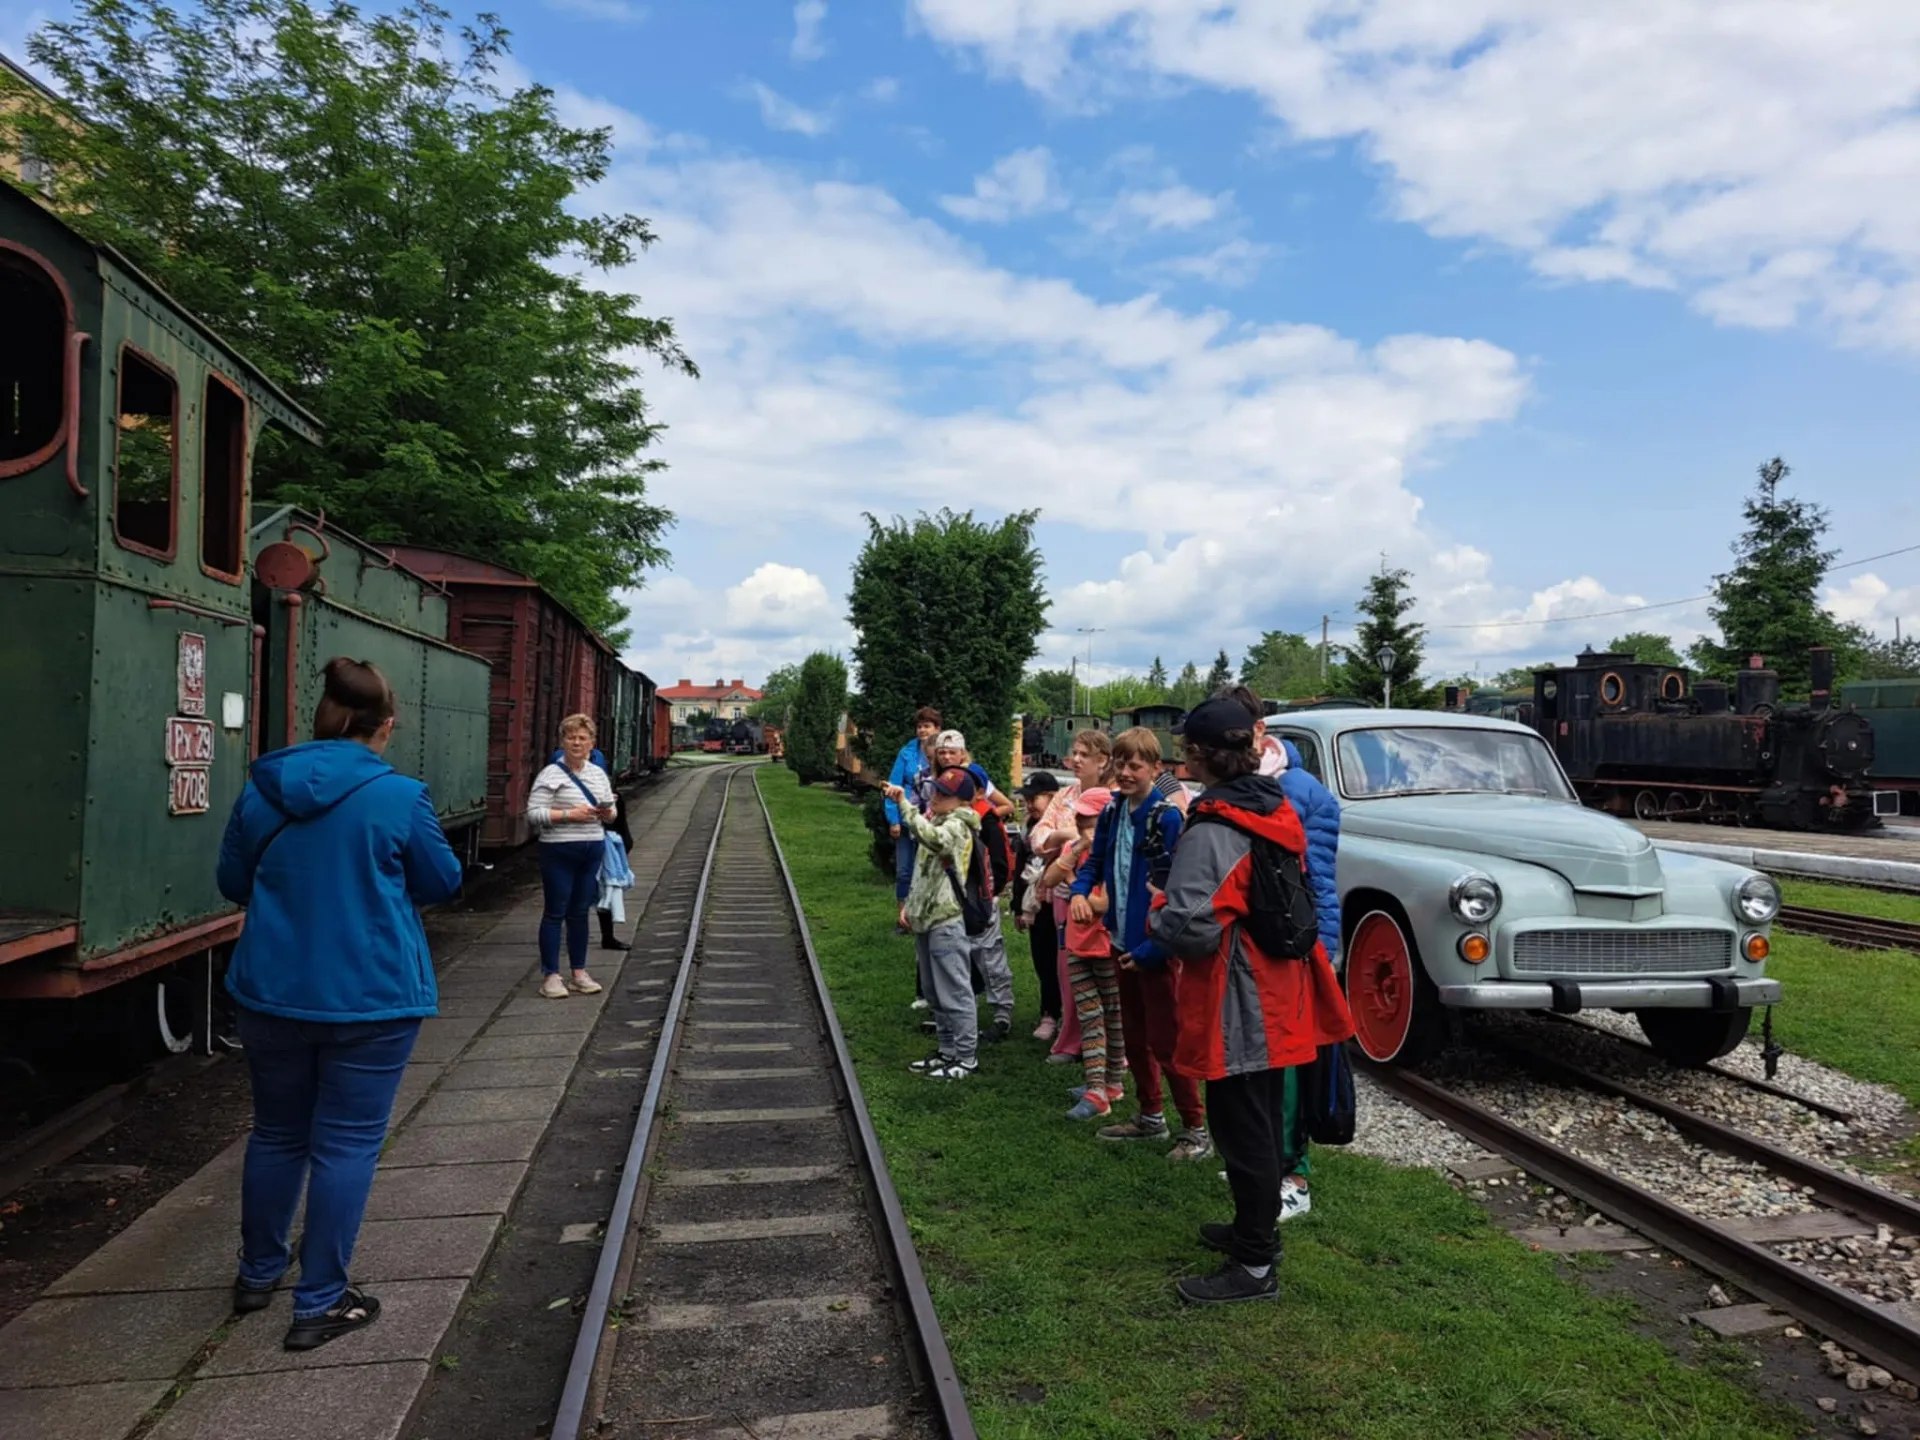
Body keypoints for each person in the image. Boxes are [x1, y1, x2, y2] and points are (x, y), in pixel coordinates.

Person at [216, 657, 463, 1350]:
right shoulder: (399, 795)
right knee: (347, 1143)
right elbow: (442, 880)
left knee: (276, 1134)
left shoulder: (262, 789)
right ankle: (320, 1301)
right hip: (371, 996)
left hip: (271, 991)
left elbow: (232, 878)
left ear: (322, 717)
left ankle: (257, 1273)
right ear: (383, 727)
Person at [1147, 698, 1353, 1305]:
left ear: (1200, 756)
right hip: (1277, 988)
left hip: (1241, 999)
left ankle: (1256, 1268)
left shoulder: (1216, 826)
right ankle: (1250, 1231)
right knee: (1257, 1119)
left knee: (1245, 1131)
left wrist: (1159, 911)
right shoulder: (1274, 806)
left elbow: (1189, 925)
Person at [1216, 684, 1343, 1220]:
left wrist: (1324, 948)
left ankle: (1295, 1175)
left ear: (1259, 732)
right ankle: (1262, 1160)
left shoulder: (1299, 792)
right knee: (1257, 1068)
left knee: (1290, 1069)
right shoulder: (1242, 786)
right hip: (1251, 947)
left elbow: (1314, 882)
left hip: (1291, 947)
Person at [1068, 729, 1210, 1160]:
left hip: (1152, 948)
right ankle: (1150, 1115)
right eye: (1122, 765)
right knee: (1132, 1033)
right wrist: (1079, 888)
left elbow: (1175, 890)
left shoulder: (1165, 817)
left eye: (1137, 766)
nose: (1127, 773)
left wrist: (1154, 948)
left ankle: (1195, 1127)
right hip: (1118, 941)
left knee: (1166, 1037)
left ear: (1155, 769)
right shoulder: (1112, 812)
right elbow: (1095, 860)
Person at [882, 767, 984, 1080]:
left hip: (946, 919)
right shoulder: (940, 817)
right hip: (926, 918)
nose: (935, 796)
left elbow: (933, 839)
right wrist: (911, 908)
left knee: (954, 990)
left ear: (962, 801)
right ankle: (946, 1050)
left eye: (944, 793)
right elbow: (923, 874)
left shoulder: (958, 825)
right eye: (935, 790)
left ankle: (966, 1058)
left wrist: (905, 805)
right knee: (933, 990)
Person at [1030, 731, 1115, 1064]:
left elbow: (1105, 841)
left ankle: (1105, 1047)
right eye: (1074, 753)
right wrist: (1074, 836)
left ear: (1103, 760)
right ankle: (1072, 1038)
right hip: (1062, 893)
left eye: (1085, 754)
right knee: (1068, 968)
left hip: (1099, 893)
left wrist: (1060, 839)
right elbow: (1037, 838)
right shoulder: (1066, 795)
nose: (1076, 760)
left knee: (1104, 973)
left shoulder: (1113, 796)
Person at [930, 729, 1016, 1040]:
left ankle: (1001, 1012)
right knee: (959, 956)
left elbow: (1000, 864)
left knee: (990, 956)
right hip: (955, 899)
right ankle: (961, 1011)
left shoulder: (987, 821)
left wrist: (989, 894)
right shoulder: (951, 820)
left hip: (980, 898)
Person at [527, 714, 616, 998]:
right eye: (571, 737)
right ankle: (551, 976)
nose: (577, 742)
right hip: (558, 850)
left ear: (592, 742)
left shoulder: (597, 774)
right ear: (563, 741)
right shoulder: (550, 775)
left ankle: (579, 972)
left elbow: (612, 815)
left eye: (582, 738)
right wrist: (569, 814)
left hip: (592, 849)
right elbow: (533, 814)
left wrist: (607, 812)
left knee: (580, 912)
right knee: (555, 912)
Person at [1055, 787, 1124, 1119]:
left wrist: (1079, 895)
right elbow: (1049, 878)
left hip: (1105, 946)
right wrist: (1072, 861)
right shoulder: (1078, 848)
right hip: (1077, 944)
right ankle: (1098, 1088)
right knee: (1090, 1015)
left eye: (1088, 817)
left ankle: (1110, 1083)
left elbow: (1103, 903)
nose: (1081, 821)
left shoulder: (1113, 855)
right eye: (1079, 816)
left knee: (1111, 1015)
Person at [549, 744, 634, 952]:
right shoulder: (609, 796)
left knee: (565, 895)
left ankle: (562, 936)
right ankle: (606, 937)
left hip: (567, 847)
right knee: (605, 891)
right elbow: (623, 832)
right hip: (595, 847)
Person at [1011, 771, 1063, 1041]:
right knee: (1042, 961)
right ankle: (1048, 1011)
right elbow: (1020, 868)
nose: (1030, 804)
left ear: (1053, 798)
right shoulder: (1028, 827)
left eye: (1035, 798)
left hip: (1056, 901)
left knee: (1059, 961)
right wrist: (1018, 907)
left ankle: (1059, 1014)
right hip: (1034, 904)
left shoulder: (1060, 826)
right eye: (1027, 799)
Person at [885, 707, 942, 934]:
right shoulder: (907, 753)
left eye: (927, 726)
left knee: (929, 869)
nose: (922, 730)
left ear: (937, 728)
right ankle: (903, 920)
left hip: (933, 822)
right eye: (919, 726)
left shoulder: (943, 752)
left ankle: (929, 916)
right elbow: (893, 786)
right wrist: (894, 819)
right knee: (904, 871)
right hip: (908, 820)